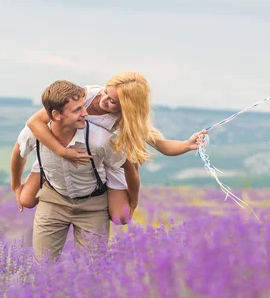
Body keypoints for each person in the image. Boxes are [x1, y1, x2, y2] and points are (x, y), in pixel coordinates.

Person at [15, 71, 207, 224]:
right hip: (61, 150)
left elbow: (163, 146)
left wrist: (187, 145)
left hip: (100, 159)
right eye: (106, 91)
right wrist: (62, 153)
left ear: (127, 107)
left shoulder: (128, 119)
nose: (104, 99)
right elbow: (33, 124)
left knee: (121, 218)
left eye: (113, 101)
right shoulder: (84, 96)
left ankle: (99, 194)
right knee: (26, 200)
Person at [10, 80, 128, 263]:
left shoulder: (101, 139)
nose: (86, 113)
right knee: (43, 267)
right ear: (56, 115)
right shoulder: (35, 132)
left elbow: (123, 166)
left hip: (93, 205)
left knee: (93, 271)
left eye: (83, 106)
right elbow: (19, 152)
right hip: (53, 199)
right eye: (77, 110)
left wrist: (131, 201)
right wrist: (16, 185)